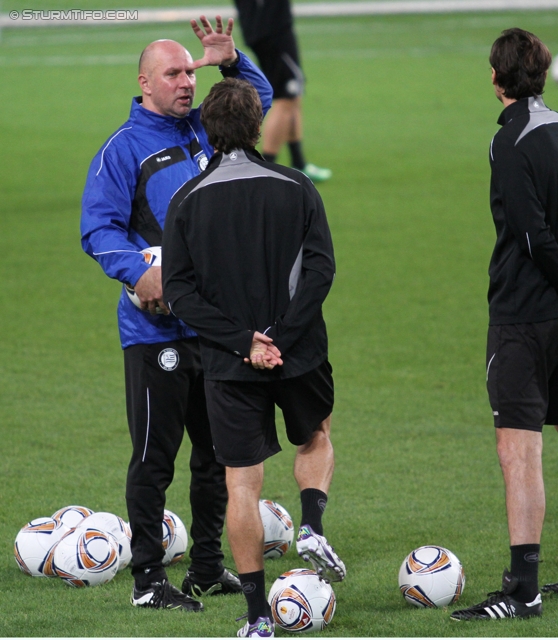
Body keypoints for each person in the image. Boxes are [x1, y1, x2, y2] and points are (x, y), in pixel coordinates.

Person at [80, 16, 273, 612]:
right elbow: (98, 227)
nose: (187, 81)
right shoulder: (123, 149)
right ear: (144, 82)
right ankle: (147, 580)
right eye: (174, 73)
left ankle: (208, 568)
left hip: (212, 327)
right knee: (153, 457)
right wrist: (141, 274)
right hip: (154, 330)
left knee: (215, 456)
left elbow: (257, 101)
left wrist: (232, 60)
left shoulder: (204, 129)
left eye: (192, 71)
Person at [162, 77, 345, 637]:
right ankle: (310, 522)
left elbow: (180, 292)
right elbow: (320, 271)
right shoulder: (296, 188)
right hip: (300, 353)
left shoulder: (185, 202)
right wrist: (281, 336)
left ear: (208, 132)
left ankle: (257, 616)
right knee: (315, 436)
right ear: (259, 126)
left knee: (242, 483)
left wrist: (244, 342)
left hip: (227, 363)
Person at [451, 28, 558, 622]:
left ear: (496, 80)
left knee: (517, 450)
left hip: (524, 317)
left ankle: (523, 589)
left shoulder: (511, 142)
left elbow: (530, 234)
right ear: (543, 75)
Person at [233, 0, 332, 183]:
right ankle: (264, 169)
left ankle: (299, 162)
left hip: (264, 27)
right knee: (286, 99)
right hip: (272, 29)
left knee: (293, 96)